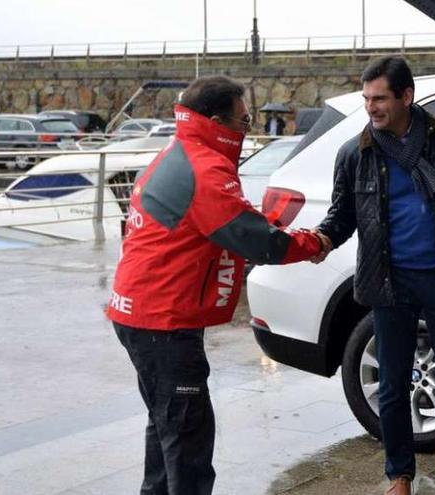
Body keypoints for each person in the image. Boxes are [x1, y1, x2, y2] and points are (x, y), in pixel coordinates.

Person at [106, 75, 326, 495]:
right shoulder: (204, 167)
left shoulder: (181, 151)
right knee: (187, 442)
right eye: (244, 121)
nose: (247, 129)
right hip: (163, 322)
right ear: (215, 121)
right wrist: (314, 241)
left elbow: (222, 227)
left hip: (142, 313)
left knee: (166, 427)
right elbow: (256, 240)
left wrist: (262, 226)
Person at [312, 56, 435, 495]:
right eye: (366, 99)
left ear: (407, 96)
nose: (371, 107)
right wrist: (321, 240)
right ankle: (398, 474)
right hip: (387, 280)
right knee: (393, 382)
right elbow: (341, 215)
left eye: (380, 98)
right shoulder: (355, 154)